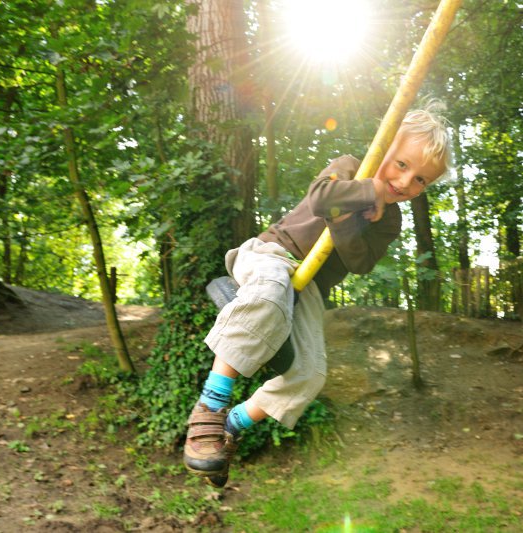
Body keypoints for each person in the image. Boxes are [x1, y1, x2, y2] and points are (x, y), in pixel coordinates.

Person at [183, 104, 451, 487]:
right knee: (271, 290)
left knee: (310, 375)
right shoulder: (350, 168)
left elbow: (360, 261)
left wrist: (348, 221)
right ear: (383, 145)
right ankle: (210, 407)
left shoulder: (390, 220)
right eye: (402, 164)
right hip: (272, 255)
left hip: (308, 290)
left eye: (421, 179)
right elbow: (321, 199)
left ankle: (230, 427)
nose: (406, 181)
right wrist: (367, 191)